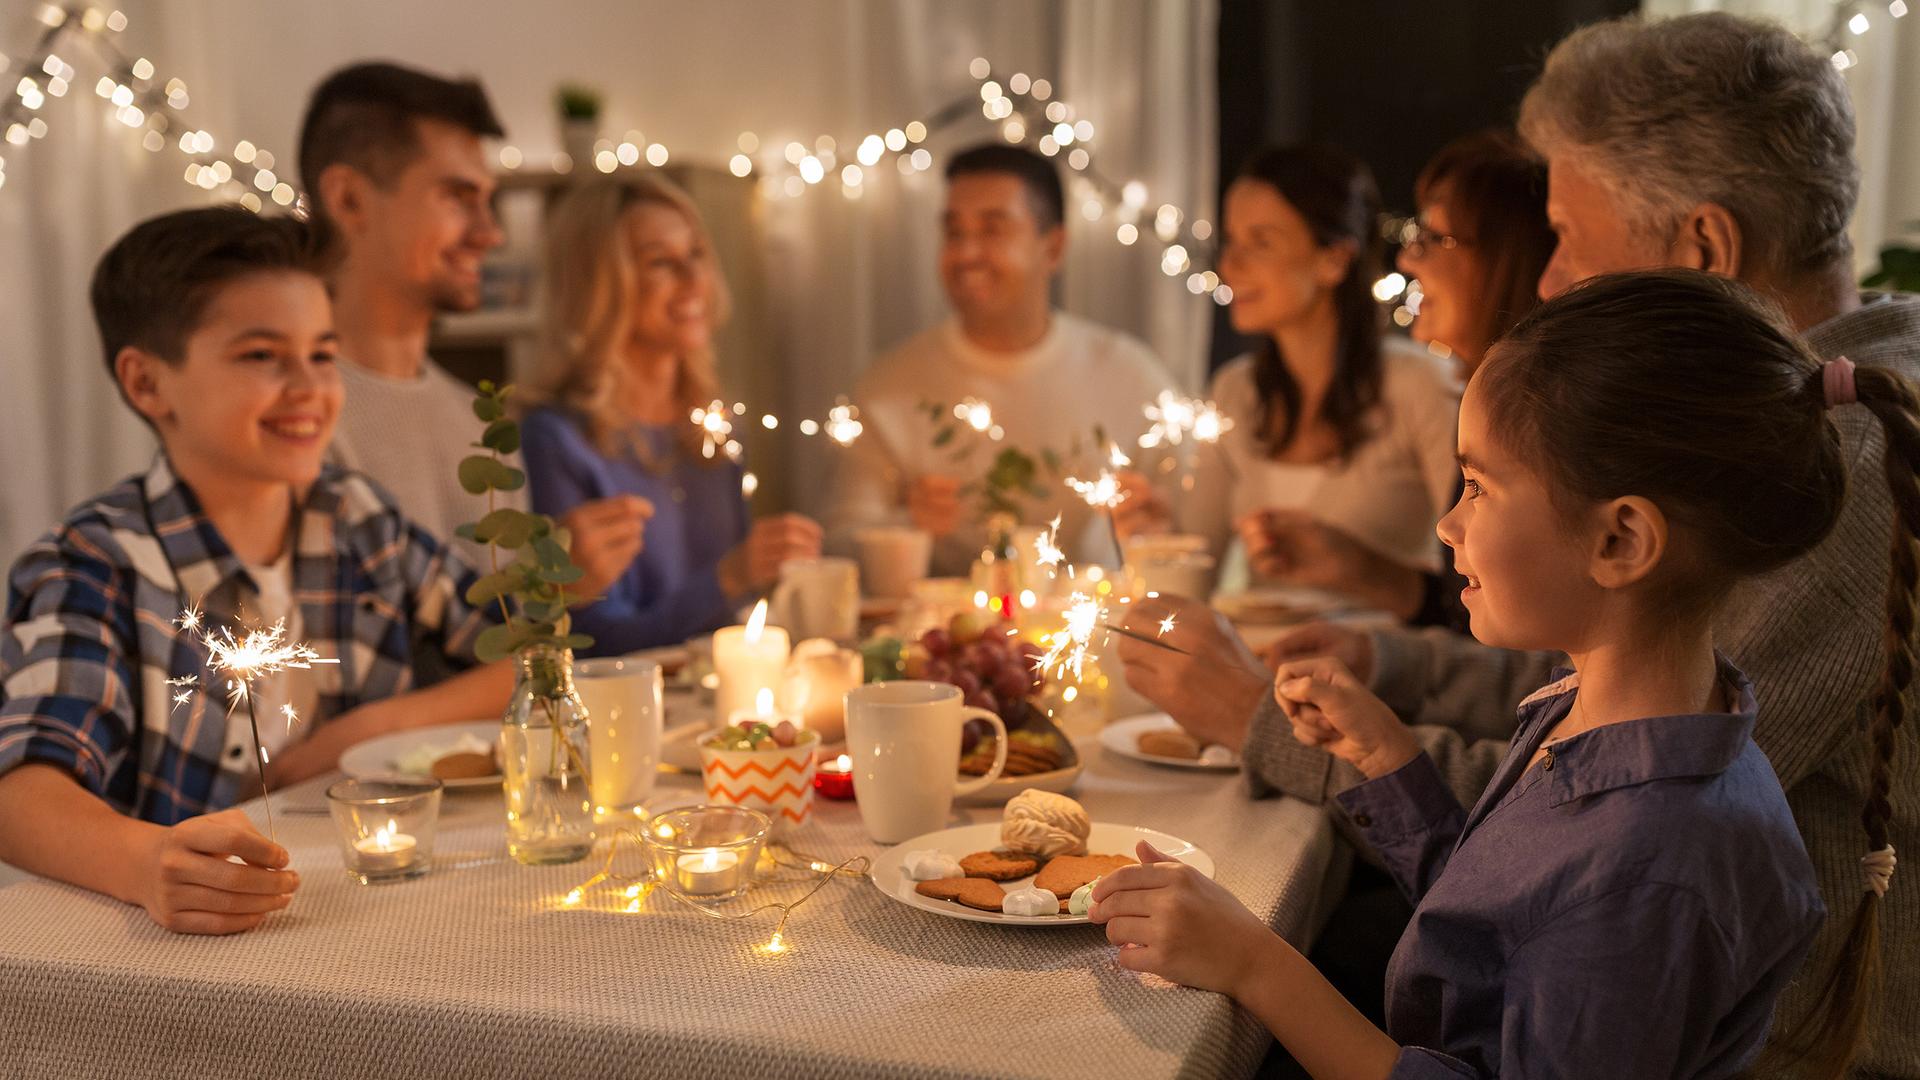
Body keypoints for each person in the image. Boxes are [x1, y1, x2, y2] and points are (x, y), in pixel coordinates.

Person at [1126, 14, 1920, 1072]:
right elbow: (1521, 883)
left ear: (1703, 252)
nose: (1543, 281)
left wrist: (1264, 954)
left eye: (1567, 237)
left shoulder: (1833, 478)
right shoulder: (1630, 673)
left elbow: (1597, 879)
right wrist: (1390, 752)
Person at [0, 207, 513, 934]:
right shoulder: (98, 565)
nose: (308, 387)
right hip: (176, 956)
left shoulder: (355, 519)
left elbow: (521, 657)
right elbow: (21, 795)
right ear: (148, 384)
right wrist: (146, 863)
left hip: (366, 916)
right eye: (262, 356)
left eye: (323, 353)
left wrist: (359, 734)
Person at [298, 62, 644, 600]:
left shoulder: (478, 421)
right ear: (348, 199)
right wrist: (548, 585)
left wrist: (550, 588)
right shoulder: (296, 419)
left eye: (487, 200)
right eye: (458, 197)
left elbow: (498, 647)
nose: (491, 234)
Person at [1112, 145, 1459, 608]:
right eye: (1231, 240)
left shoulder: (1419, 386)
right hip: (1259, 666)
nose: (1231, 265)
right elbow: (1196, 583)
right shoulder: (1236, 392)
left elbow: (1471, 590)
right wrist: (1155, 542)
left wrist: (1354, 565)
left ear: (1333, 259)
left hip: (1386, 670)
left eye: (1261, 242)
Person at [1231, 130, 1553, 628]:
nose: (1408, 259)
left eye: (1434, 239)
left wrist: (1375, 641)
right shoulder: (1237, 390)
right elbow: (1454, 604)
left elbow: (1509, 647)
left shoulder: (1496, 407)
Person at [825, 143, 1174, 574]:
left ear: (1054, 248)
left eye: (993, 230)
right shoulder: (890, 385)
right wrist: (906, 525)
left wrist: (1156, 530)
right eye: (954, 232)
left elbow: (1186, 530)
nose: (966, 254)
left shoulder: (1129, 376)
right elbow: (838, 549)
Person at [521, 177, 821, 653]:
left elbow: (737, 615)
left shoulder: (715, 427)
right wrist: (731, 575)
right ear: (598, 283)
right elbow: (592, 644)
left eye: (697, 253)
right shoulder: (557, 440)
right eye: (661, 261)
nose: (693, 278)